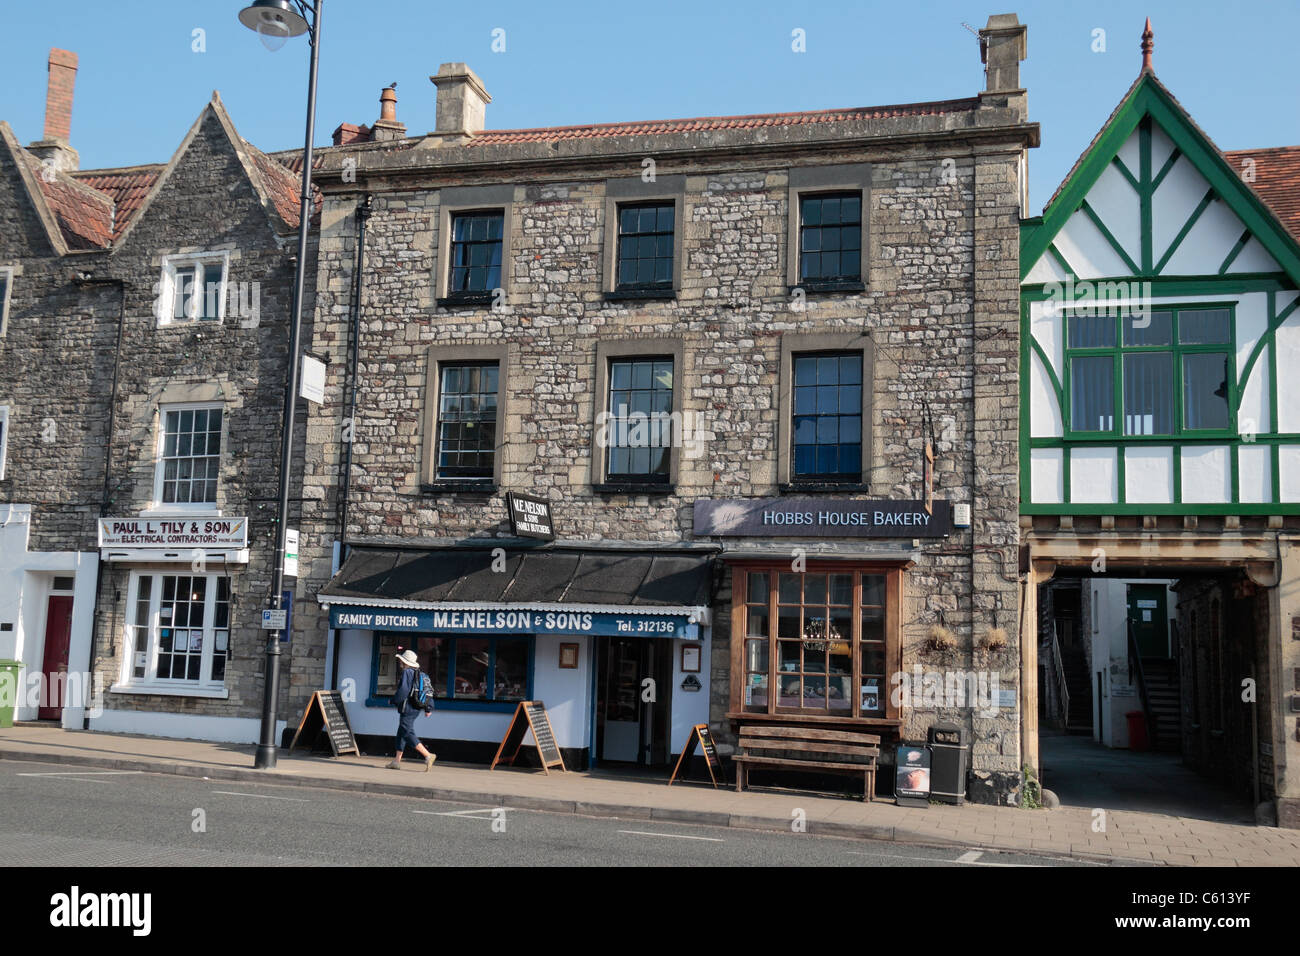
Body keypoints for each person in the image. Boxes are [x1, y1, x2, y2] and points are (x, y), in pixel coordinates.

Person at [387, 649, 436, 771]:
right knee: (401, 733)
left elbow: (403, 691)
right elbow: (427, 691)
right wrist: (428, 708)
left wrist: (393, 700)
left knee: (407, 732)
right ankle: (396, 761)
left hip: (407, 707)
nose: (399, 663)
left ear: (405, 662)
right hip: (416, 707)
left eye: (401, 661)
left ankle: (428, 755)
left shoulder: (407, 672)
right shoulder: (420, 674)